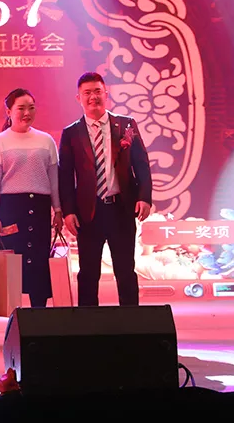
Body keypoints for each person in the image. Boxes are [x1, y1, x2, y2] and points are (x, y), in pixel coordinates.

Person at [58, 72, 152, 306]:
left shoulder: (126, 125)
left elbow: (141, 163)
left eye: (97, 91)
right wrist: (68, 211)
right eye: (87, 93)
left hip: (121, 207)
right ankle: (89, 322)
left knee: (125, 270)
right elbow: (65, 176)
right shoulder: (71, 133)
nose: (93, 97)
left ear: (106, 94)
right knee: (88, 273)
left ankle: (131, 319)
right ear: (78, 98)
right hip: (88, 212)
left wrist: (144, 197)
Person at [0, 88, 63, 308]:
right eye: (21, 108)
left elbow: (54, 180)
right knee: (13, 265)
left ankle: (39, 315)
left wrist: (58, 210)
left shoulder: (46, 141)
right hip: (11, 210)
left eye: (31, 107)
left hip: (39, 209)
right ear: (9, 111)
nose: (27, 113)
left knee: (39, 261)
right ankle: (14, 317)